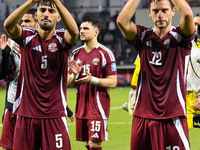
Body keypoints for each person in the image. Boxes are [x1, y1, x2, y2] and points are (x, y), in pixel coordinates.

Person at [117, 0, 194, 149]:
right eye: (155, 11)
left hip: (173, 116)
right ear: (149, 13)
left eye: (164, 10)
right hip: (142, 116)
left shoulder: (180, 37)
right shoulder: (143, 36)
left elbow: (187, 14)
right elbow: (122, 21)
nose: (160, 15)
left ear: (173, 11)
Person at [3, 0, 79, 150]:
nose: (46, 14)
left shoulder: (62, 39)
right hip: (26, 115)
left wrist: (57, 2)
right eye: (42, 10)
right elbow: (8, 25)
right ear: (36, 15)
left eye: (51, 11)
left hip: (55, 115)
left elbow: (75, 33)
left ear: (59, 17)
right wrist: (31, 1)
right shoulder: (27, 36)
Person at [67, 17, 117, 150]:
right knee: (87, 144)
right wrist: (74, 74)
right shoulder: (75, 53)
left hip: (98, 107)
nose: (81, 31)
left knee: (95, 143)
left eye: (86, 28)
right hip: (81, 107)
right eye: (81, 28)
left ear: (96, 32)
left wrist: (92, 80)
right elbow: (67, 82)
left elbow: (113, 82)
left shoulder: (105, 53)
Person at [186, 14, 200, 130]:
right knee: (180, 139)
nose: (195, 27)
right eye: (194, 24)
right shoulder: (188, 44)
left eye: (198, 25)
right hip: (188, 97)